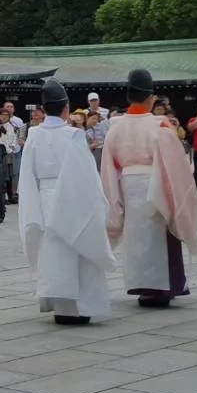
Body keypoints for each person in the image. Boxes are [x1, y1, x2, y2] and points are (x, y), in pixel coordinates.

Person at [17, 79, 116, 326]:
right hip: (72, 196)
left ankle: (61, 304)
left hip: (44, 197)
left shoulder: (33, 135)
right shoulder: (74, 136)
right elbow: (87, 176)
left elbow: (26, 174)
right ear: (66, 108)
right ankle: (80, 306)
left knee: (53, 252)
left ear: (43, 107)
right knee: (77, 246)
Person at [100, 69, 197, 309]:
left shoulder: (115, 127)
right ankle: (163, 287)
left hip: (127, 183)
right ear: (150, 98)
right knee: (160, 235)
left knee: (136, 237)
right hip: (156, 182)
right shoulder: (160, 126)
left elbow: (108, 165)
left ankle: (142, 285)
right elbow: (174, 163)